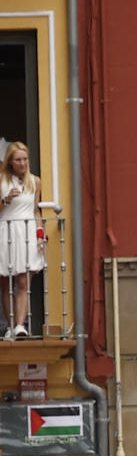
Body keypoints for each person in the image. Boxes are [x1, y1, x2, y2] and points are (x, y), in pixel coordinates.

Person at [0, 142, 45, 341]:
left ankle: (20, 325)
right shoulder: (1, 180)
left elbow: (36, 211)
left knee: (23, 281)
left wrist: (40, 235)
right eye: (18, 160)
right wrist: (6, 200)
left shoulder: (35, 181)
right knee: (6, 281)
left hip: (27, 232)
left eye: (25, 159)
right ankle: (10, 326)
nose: (23, 163)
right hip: (6, 230)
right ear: (10, 161)